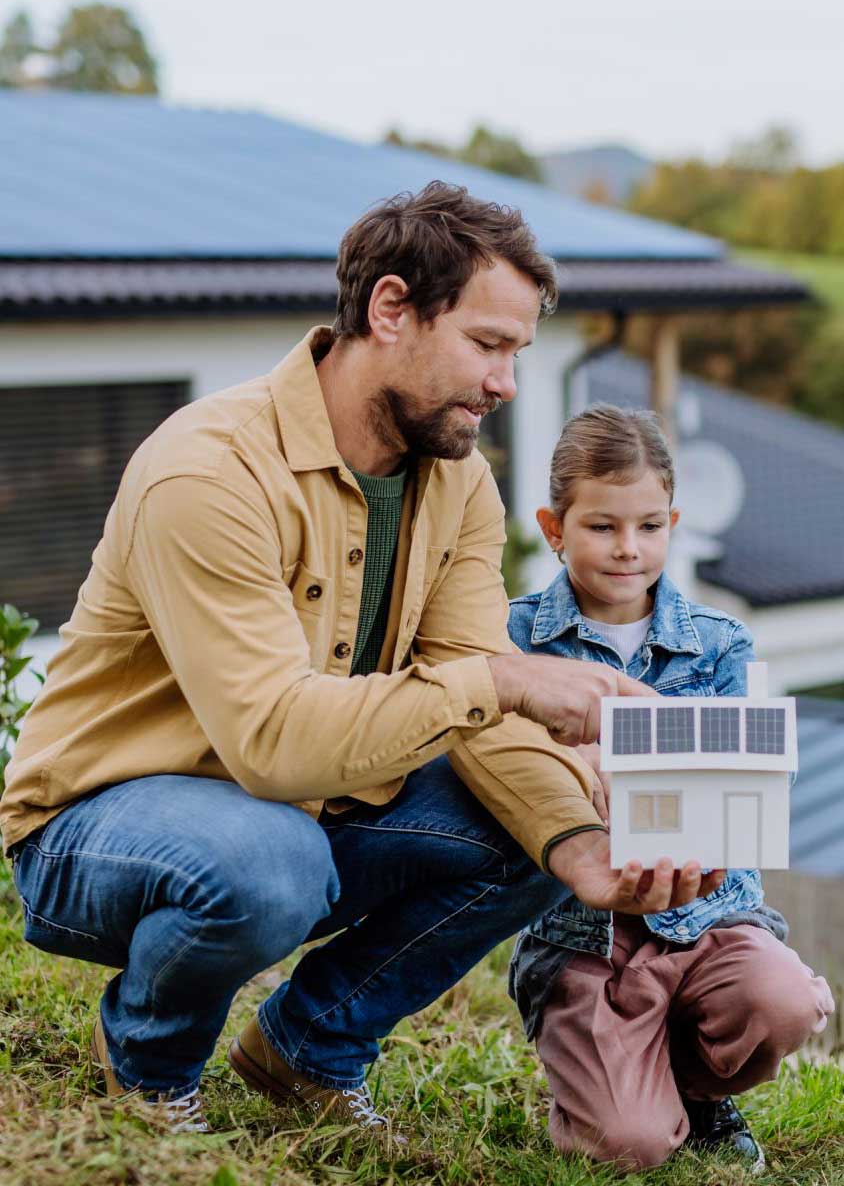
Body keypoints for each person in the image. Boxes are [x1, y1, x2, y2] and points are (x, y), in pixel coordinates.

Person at [1, 184, 720, 1141]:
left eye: (518, 353)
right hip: (98, 829)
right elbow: (273, 744)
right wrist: (508, 676)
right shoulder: (208, 470)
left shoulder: (456, 478)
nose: (506, 383)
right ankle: (153, 1069)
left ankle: (308, 1050)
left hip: (303, 812)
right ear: (390, 310)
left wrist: (579, 847)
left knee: (543, 811)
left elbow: (471, 691)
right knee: (272, 862)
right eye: (488, 345)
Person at [508, 404, 834, 1174]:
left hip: (710, 914)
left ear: (673, 522)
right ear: (553, 527)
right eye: (602, 527)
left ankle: (698, 1090)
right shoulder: (516, 643)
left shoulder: (723, 643)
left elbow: (754, 779)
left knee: (786, 1003)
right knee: (628, 1146)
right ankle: (622, 1085)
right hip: (584, 934)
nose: (629, 549)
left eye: (650, 526)